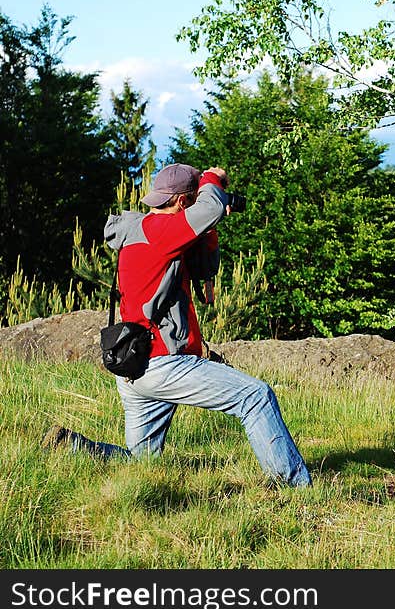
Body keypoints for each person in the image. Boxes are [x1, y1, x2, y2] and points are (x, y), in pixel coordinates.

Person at [42, 163, 312, 488]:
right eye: (194, 201)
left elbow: (202, 265)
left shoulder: (142, 231)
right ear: (184, 202)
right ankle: (297, 489)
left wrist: (209, 229)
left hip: (135, 368)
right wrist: (214, 180)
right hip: (161, 364)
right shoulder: (160, 232)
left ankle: (69, 446)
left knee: (141, 463)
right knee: (255, 397)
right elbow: (210, 206)